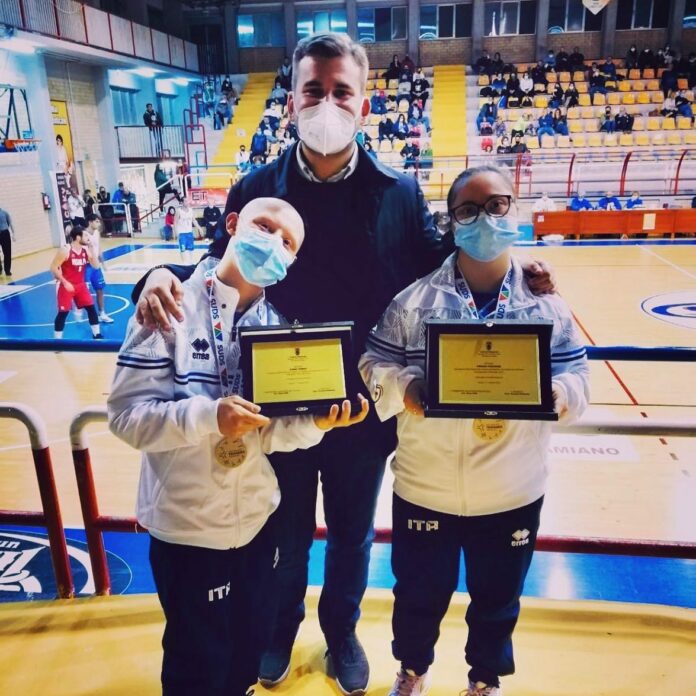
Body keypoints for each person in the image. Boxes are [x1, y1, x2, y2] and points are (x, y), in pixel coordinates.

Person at [130, 33, 554, 696]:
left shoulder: (399, 192)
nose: (326, 103)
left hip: (360, 410)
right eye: (313, 90)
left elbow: (450, 264)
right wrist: (156, 274)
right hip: (272, 409)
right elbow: (213, 266)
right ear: (292, 100)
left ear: (363, 103)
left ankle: (341, 632)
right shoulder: (256, 189)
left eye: (340, 91)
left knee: (353, 538)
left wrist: (520, 271)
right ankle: (279, 631)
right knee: (284, 535)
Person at [108, 196, 369, 696]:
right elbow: (125, 417)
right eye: (264, 226)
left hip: (256, 526)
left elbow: (267, 433)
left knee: (247, 653)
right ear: (232, 224)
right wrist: (210, 418)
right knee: (195, 665)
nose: (273, 243)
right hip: (188, 532)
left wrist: (315, 424)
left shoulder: (273, 328)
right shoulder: (167, 304)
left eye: (287, 241)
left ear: (292, 260)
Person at [359, 164, 589, 696]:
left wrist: (559, 396)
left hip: (513, 489)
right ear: (452, 221)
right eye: (468, 210)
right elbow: (373, 363)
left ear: (515, 206)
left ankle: (485, 680)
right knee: (417, 595)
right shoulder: (413, 302)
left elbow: (577, 374)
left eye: (496, 204)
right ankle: (412, 670)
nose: (484, 218)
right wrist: (405, 388)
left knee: (498, 599)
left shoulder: (545, 302)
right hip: (426, 487)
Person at [50, 226, 103, 340]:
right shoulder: (65, 250)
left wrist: (92, 248)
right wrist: (65, 282)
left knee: (91, 308)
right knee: (63, 313)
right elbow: (53, 267)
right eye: (85, 235)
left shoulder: (85, 250)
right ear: (78, 237)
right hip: (66, 285)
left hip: (80, 285)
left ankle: (97, 335)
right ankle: (57, 341)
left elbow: (96, 266)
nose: (88, 237)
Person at [84, 213, 113, 323]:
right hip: (86, 266)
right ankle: (81, 310)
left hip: (96, 265)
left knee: (100, 289)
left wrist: (103, 263)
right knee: (84, 291)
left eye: (99, 221)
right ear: (90, 222)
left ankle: (102, 313)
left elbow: (99, 248)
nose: (99, 223)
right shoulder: (83, 234)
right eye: (97, 221)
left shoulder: (97, 233)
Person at [174, 200, 202, 264]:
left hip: (189, 232)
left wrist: (199, 228)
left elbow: (194, 220)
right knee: (183, 248)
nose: (187, 202)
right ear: (182, 202)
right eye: (186, 201)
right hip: (181, 233)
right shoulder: (178, 211)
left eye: (187, 201)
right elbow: (175, 222)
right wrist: (176, 233)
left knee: (191, 248)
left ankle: (191, 261)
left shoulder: (191, 210)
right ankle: (184, 262)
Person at [0, 205, 15, 277]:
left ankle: (7, 270)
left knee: (7, 252)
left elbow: (10, 223)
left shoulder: (5, 213)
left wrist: (13, 233)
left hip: (4, 233)